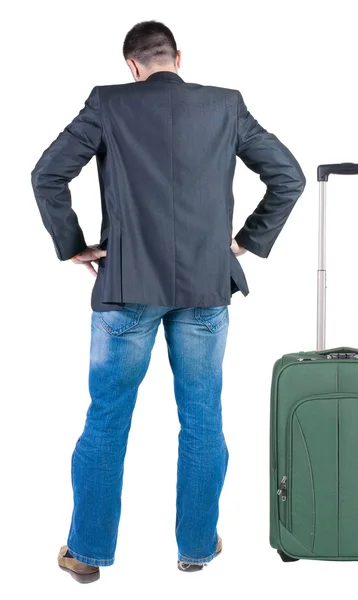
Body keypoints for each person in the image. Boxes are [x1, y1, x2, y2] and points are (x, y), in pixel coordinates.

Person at [31, 20, 306, 583]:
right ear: (178, 57)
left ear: (131, 66)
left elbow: (47, 174)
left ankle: (86, 554)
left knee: (106, 421)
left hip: (126, 289)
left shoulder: (107, 103)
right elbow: (289, 176)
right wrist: (247, 242)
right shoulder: (226, 106)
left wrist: (73, 248)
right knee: (203, 419)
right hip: (206, 289)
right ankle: (197, 549)